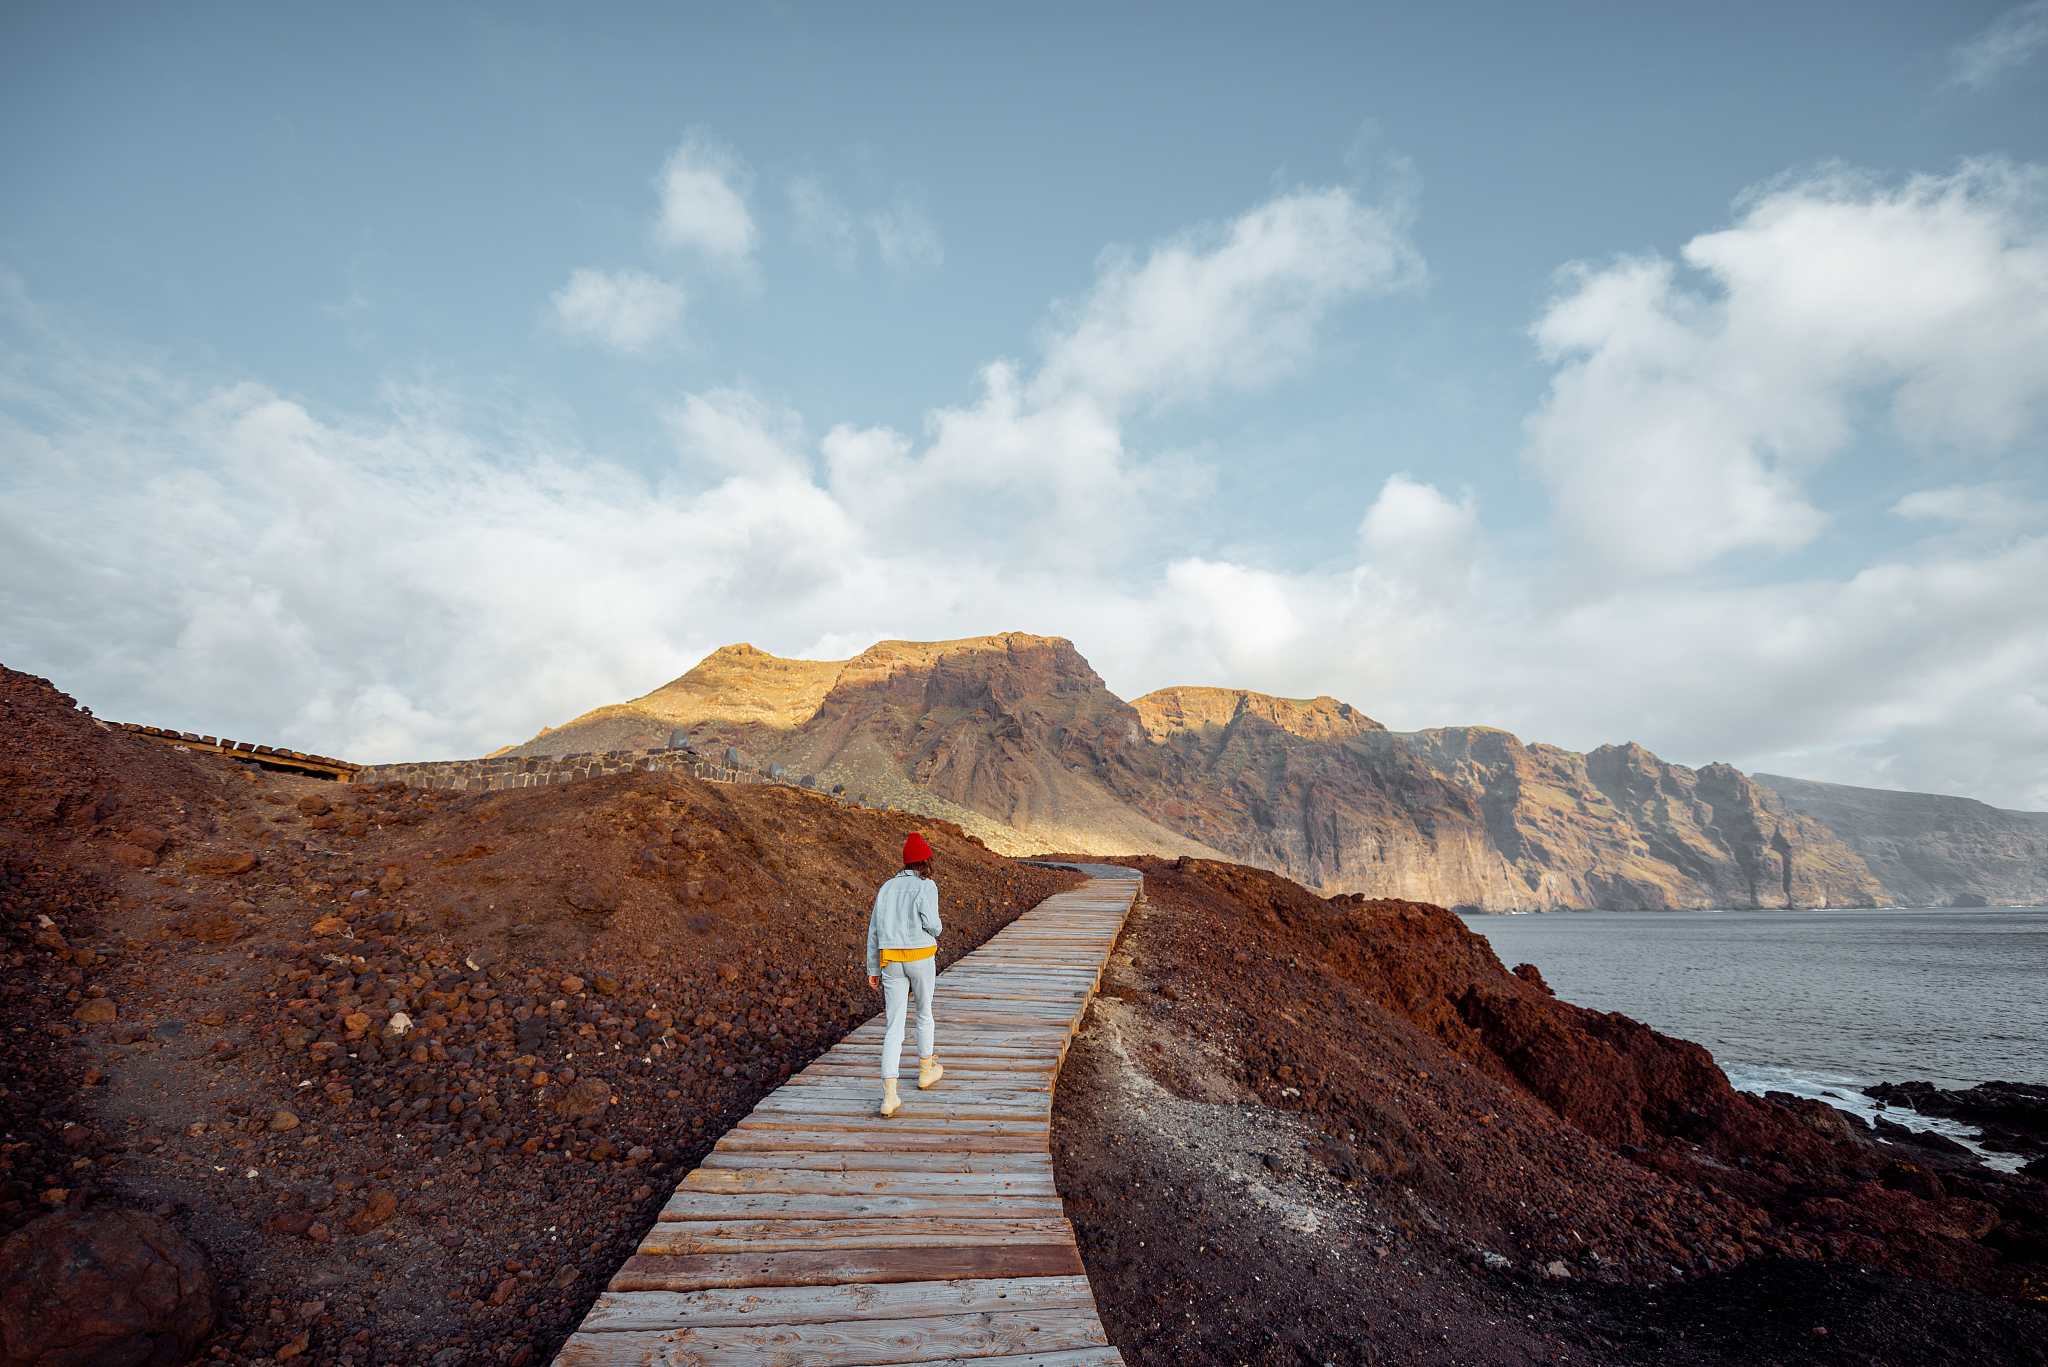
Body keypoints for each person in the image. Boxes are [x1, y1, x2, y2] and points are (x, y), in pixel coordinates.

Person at [866, 832, 944, 1117]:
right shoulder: (926, 885)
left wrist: (873, 969)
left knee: (894, 1026)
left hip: (890, 961)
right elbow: (932, 925)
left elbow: (874, 931)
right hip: (920, 958)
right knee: (924, 1013)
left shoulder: (886, 888)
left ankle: (889, 1096)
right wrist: (937, 928)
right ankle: (925, 1071)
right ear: (925, 861)